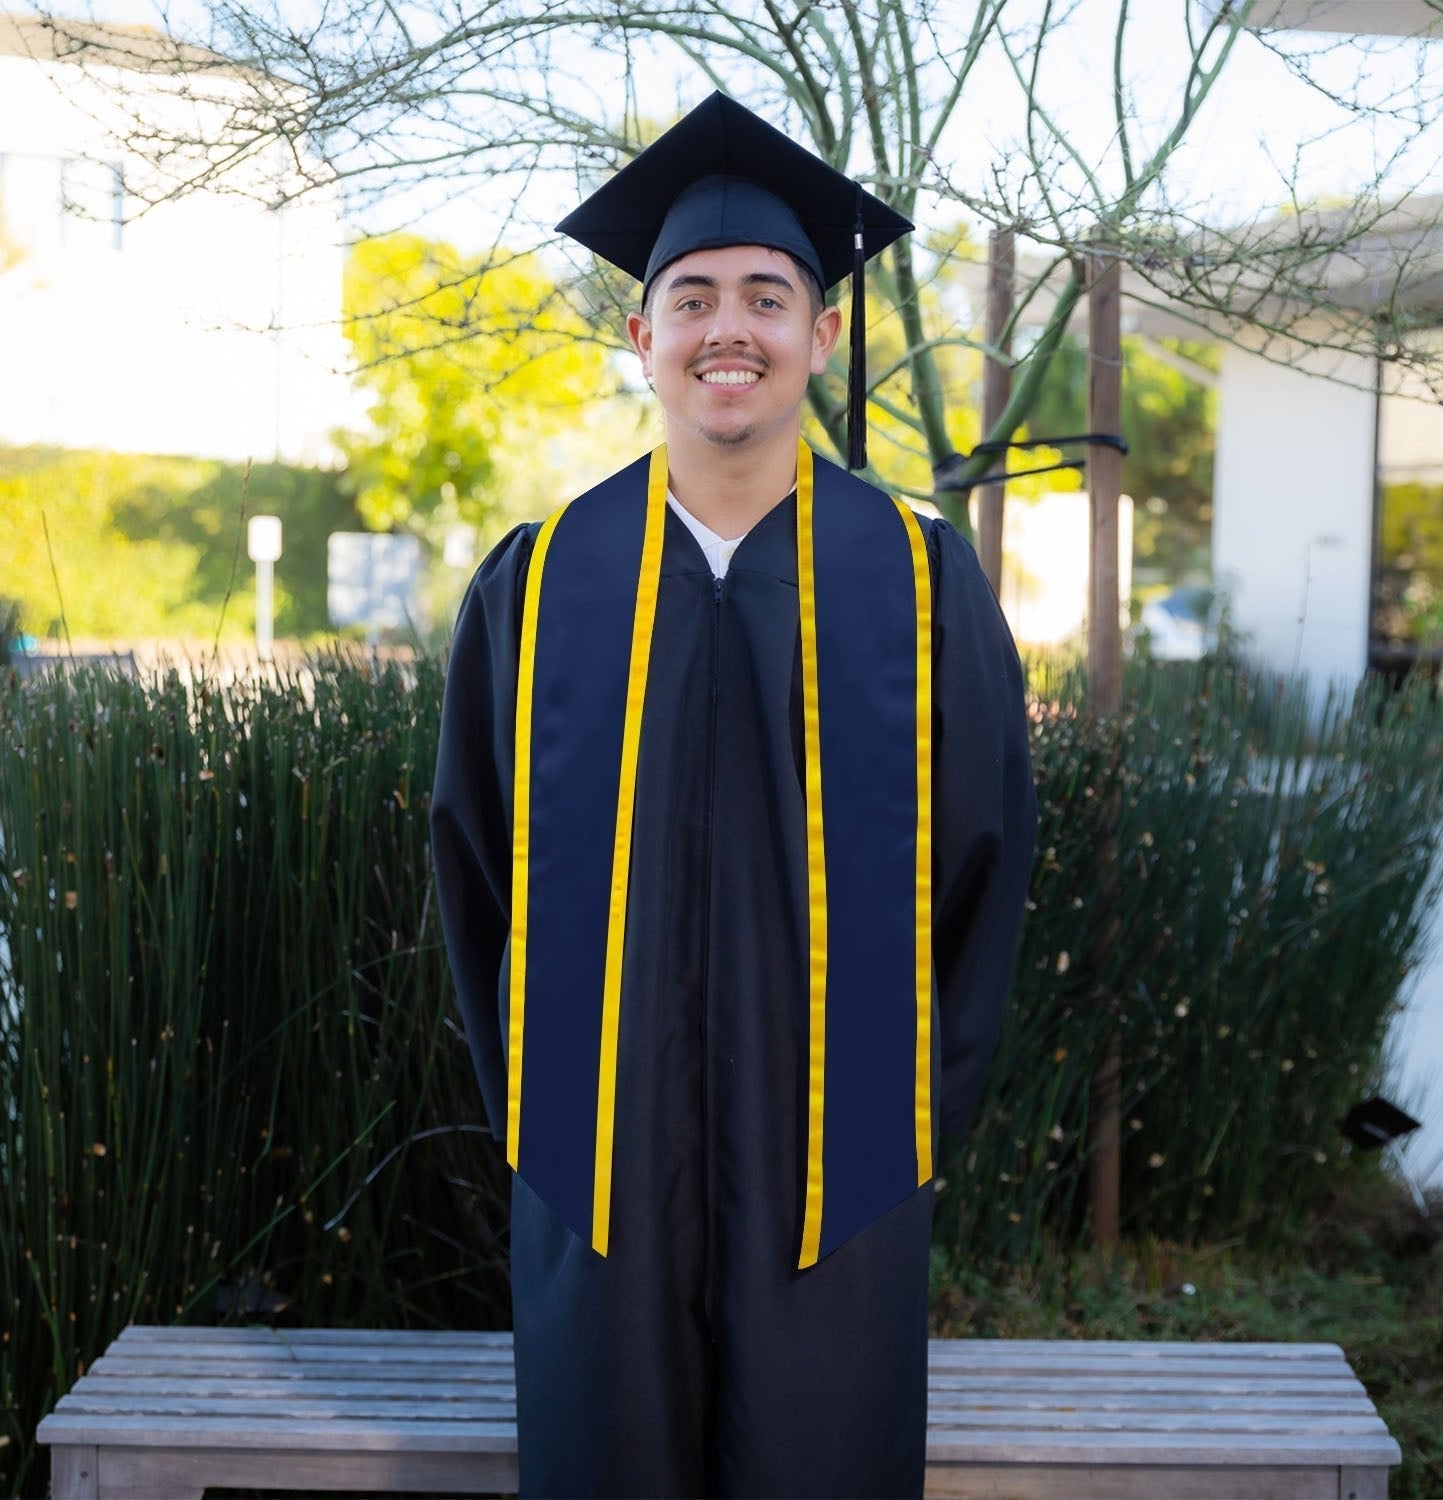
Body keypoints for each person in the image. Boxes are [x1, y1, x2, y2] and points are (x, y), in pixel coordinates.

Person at [430, 91, 1037, 1500]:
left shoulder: (919, 583)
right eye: (691, 297)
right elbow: (472, 877)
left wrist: (898, 1127)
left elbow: (983, 875)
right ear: (639, 335)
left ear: (821, 334)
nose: (730, 330)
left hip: (839, 1179)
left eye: (769, 296)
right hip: (601, 1180)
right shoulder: (537, 585)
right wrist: (547, 1126)